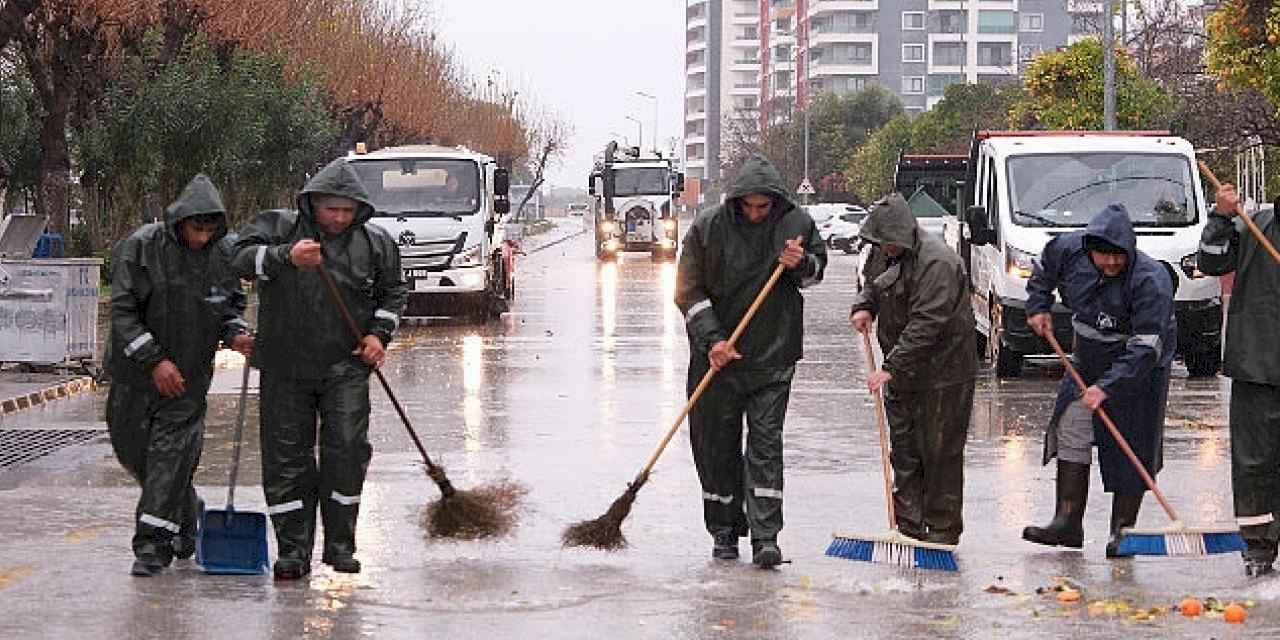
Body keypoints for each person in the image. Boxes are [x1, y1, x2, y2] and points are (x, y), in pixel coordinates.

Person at [232, 158, 408, 580]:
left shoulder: (376, 244)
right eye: (332, 209)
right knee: (286, 458)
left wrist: (378, 335)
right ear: (313, 205)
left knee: (346, 450)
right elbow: (236, 259)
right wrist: (283, 258)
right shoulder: (277, 227)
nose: (339, 218)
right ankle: (293, 550)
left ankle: (341, 546)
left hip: (345, 366)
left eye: (348, 211)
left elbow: (393, 292)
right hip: (283, 365)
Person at [674, 153, 826, 568]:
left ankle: (765, 538)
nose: (757, 214)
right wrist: (713, 341)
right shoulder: (708, 228)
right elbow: (687, 291)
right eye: (749, 206)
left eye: (764, 207)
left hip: (773, 358)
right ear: (736, 200)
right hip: (717, 361)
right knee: (715, 448)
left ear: (775, 202)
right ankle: (724, 533)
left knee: (765, 447)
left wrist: (802, 264)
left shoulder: (796, 225)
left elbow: (816, 274)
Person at [106, 174, 252, 576]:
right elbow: (123, 311)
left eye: (209, 230)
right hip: (133, 375)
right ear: (179, 221)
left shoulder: (224, 254)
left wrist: (236, 331)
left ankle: (152, 546)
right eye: (195, 228)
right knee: (135, 454)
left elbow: (228, 305)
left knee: (168, 459)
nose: (201, 238)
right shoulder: (142, 247)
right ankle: (187, 512)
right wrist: (154, 361)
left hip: (186, 380)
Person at [1021, 203, 1176, 558]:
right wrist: (1037, 306)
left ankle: (1123, 531)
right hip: (1086, 357)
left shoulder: (1151, 280)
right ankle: (1067, 521)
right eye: (1102, 256)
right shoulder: (1067, 248)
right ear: (1089, 249)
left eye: (1117, 257)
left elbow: (1147, 347)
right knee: (1072, 425)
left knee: (1130, 442)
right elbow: (1043, 271)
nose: (1109, 263)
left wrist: (1107, 387)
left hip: (1140, 364)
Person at [849, 193, 976, 545]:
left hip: (945, 373)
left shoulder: (937, 264)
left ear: (903, 236)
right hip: (904, 373)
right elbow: (872, 286)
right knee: (904, 451)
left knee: (940, 453)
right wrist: (864, 307)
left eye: (888, 243)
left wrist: (890, 367)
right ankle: (907, 528)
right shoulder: (882, 252)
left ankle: (941, 533)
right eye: (880, 243)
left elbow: (926, 324)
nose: (884, 249)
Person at [1197, 184, 1280, 576]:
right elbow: (1210, 262)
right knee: (1254, 462)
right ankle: (1258, 545)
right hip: (1257, 363)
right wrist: (1220, 217)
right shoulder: (1253, 227)